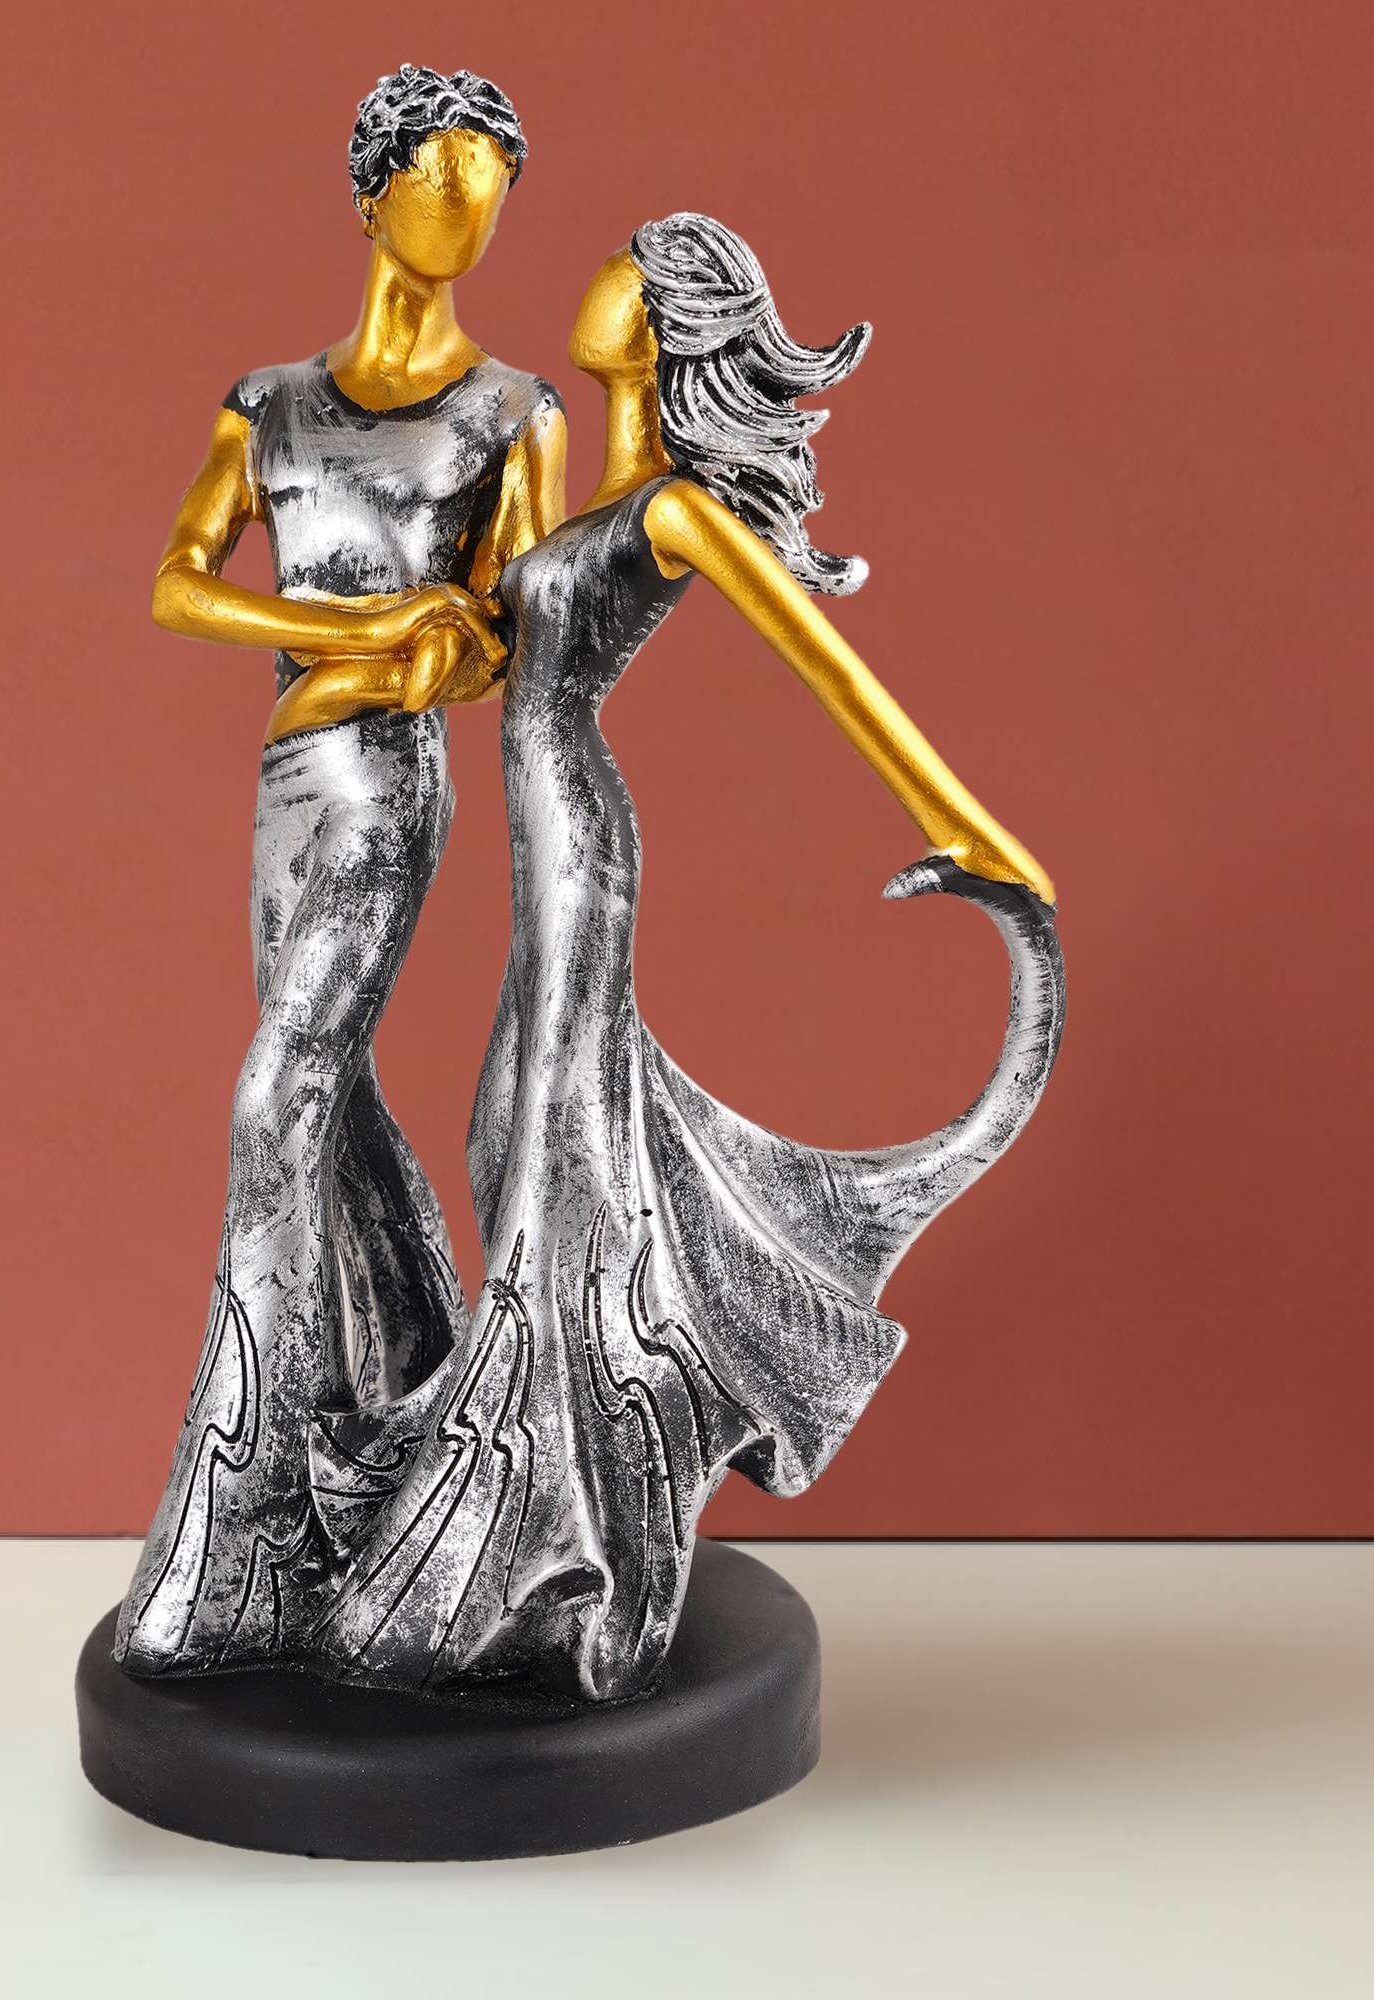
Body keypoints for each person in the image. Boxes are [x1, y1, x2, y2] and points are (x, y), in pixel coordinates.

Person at [299, 214, 1064, 1702]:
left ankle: (572, 1527)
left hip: (579, 838)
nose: (599, 273)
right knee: (511, 1131)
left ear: (659, 319)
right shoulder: (594, 489)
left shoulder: (676, 511)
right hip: (538, 826)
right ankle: (551, 1450)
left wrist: (966, 825)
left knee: (552, 1144)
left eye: (630, 266)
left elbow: (824, 659)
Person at [115, 67, 566, 1675]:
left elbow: (521, 634)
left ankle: (239, 1522)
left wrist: (448, 652)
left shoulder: (512, 414)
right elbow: (178, 584)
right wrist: (368, 625)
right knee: (339, 1109)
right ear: (372, 193)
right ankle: (403, 1416)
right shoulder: (270, 407)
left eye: (491, 190)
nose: (468, 213)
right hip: (286, 775)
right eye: (442, 179)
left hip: (385, 783)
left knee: (277, 1099)